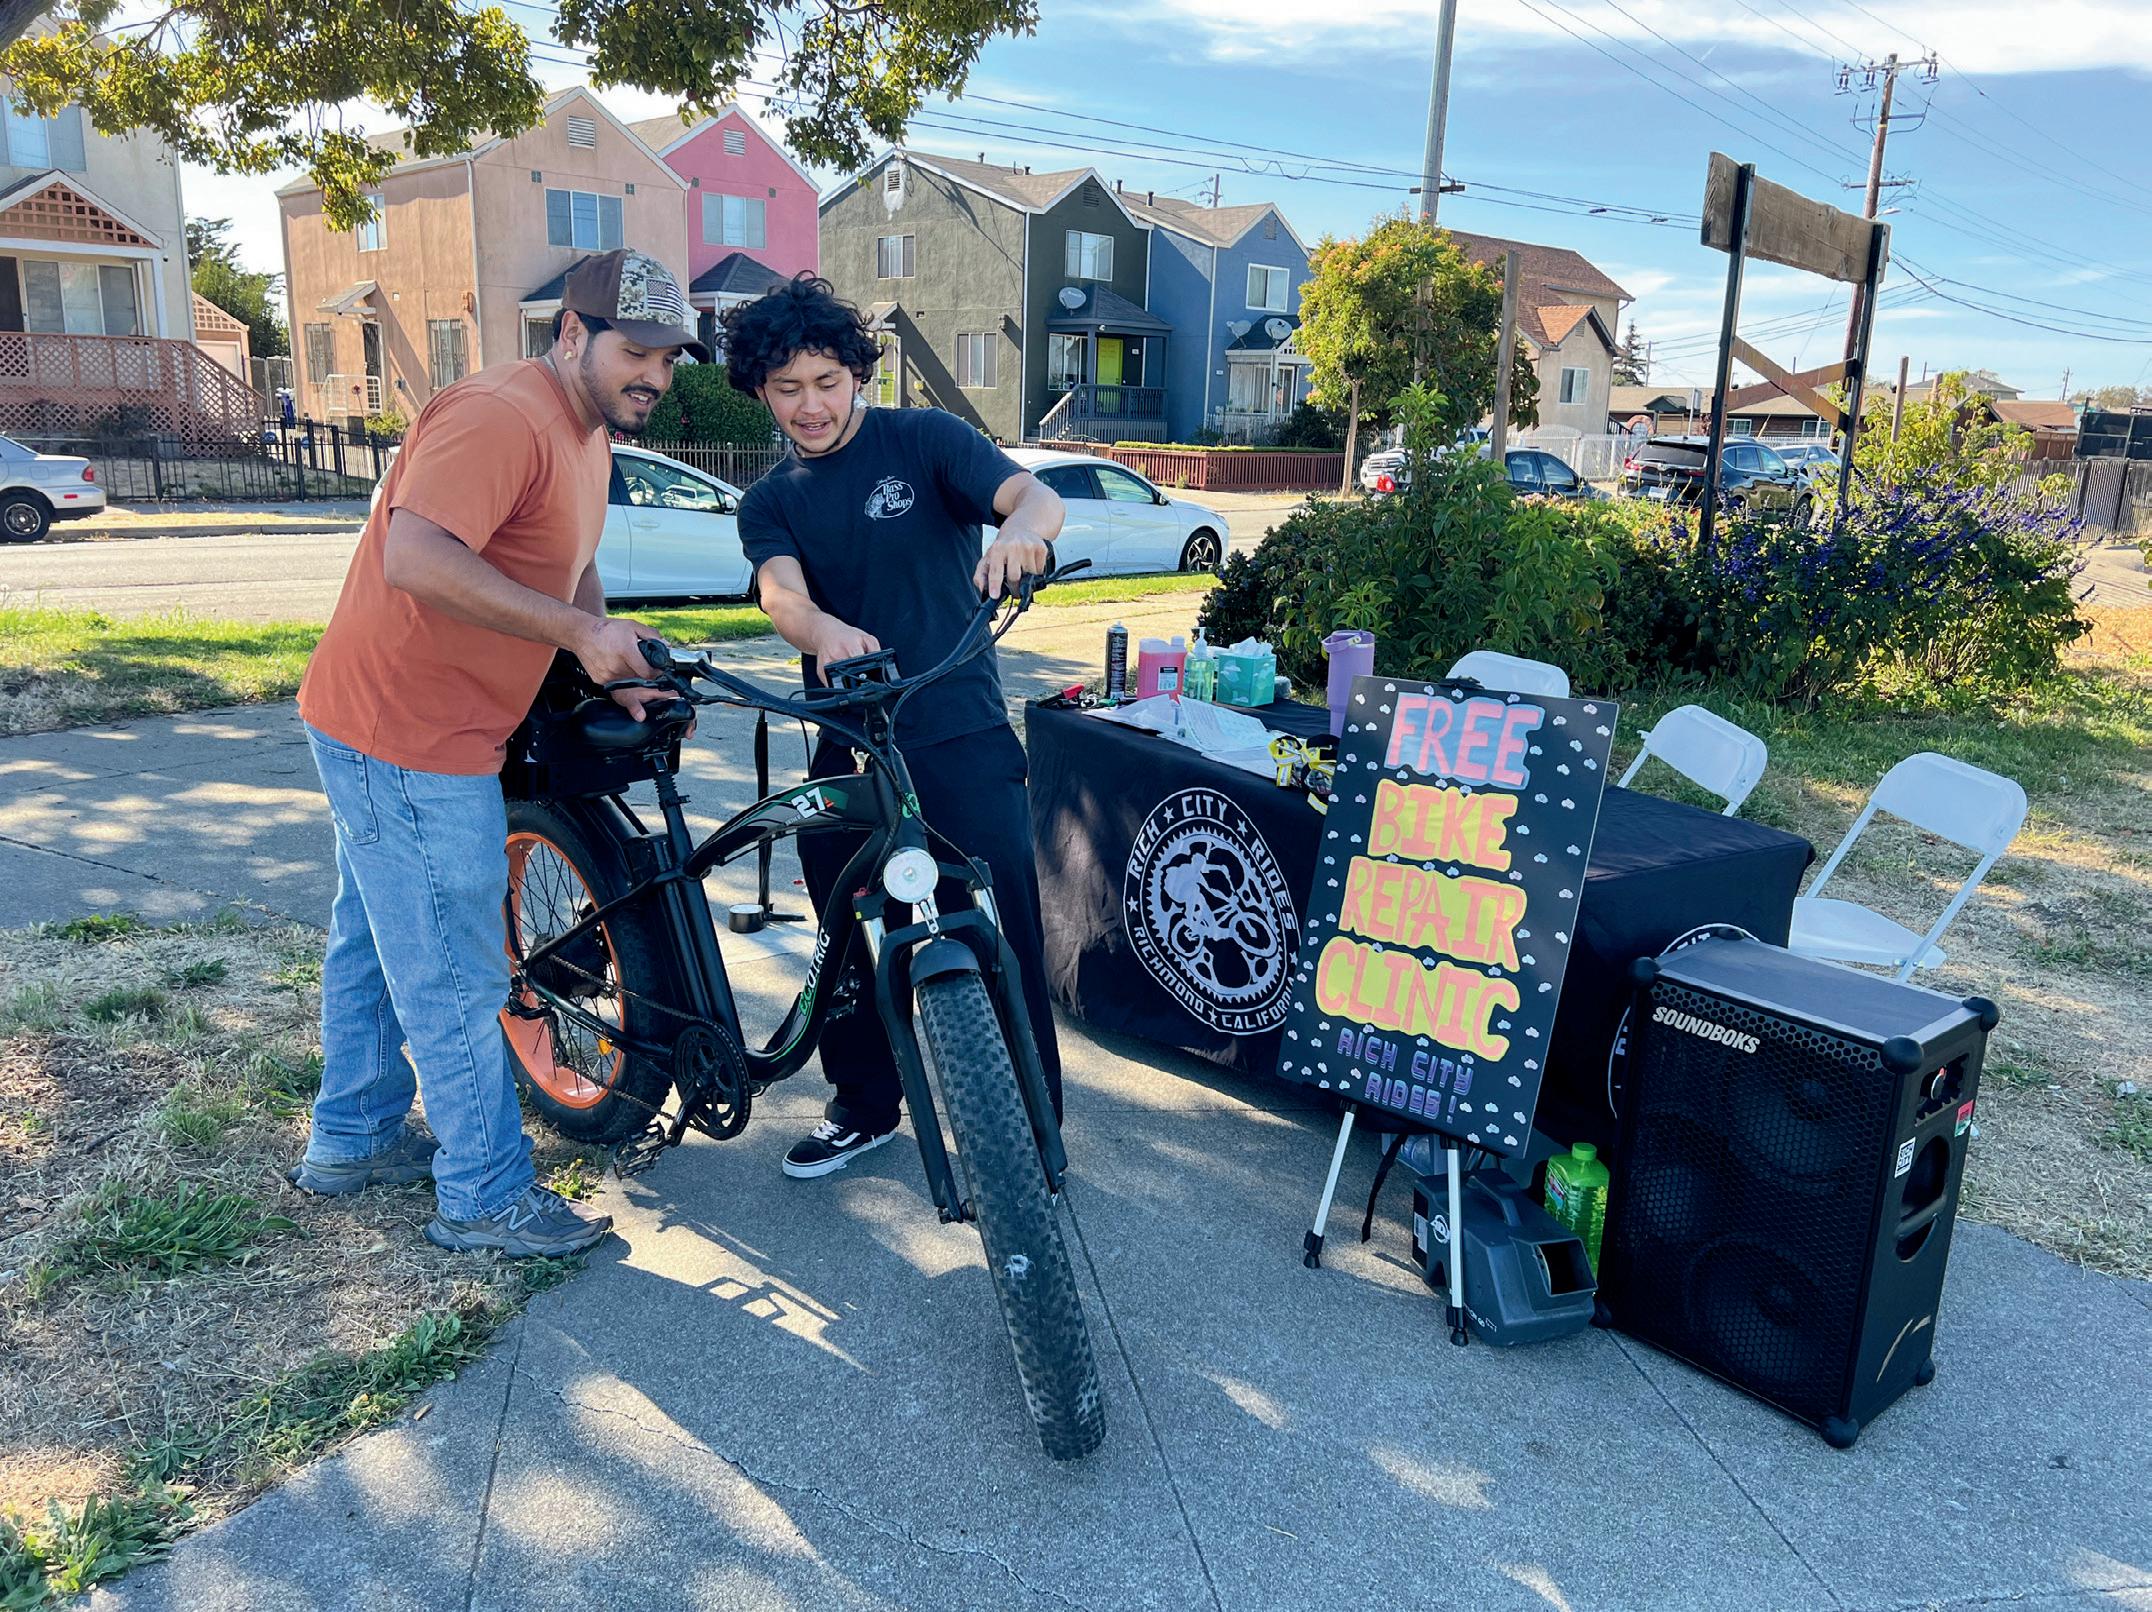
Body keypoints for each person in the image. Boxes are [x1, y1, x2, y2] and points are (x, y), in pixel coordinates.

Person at [289, 249, 709, 1256]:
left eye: (668, 358)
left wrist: (609, 661)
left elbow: (572, 561)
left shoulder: (585, 432)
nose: (653, 374)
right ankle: (483, 1195)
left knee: (376, 939)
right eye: (635, 350)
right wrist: (576, 634)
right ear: (572, 333)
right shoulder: (499, 415)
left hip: (414, 727)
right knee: (453, 970)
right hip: (404, 734)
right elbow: (415, 556)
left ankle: (351, 1137)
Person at [722, 275, 1067, 1179]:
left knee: (1000, 927)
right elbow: (781, 594)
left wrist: (1020, 535)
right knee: (842, 934)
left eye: (827, 382)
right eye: (787, 388)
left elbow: (1034, 498)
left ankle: (1033, 1119)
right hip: (851, 744)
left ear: (858, 375)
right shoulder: (771, 501)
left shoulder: (925, 440)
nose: (810, 405)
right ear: (762, 392)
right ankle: (865, 1105)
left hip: (960, 727)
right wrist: (822, 632)